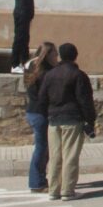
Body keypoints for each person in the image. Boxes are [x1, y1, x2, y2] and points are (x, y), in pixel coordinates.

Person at [37, 42, 96, 201]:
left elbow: (42, 98)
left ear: (61, 56)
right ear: (75, 56)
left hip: (53, 119)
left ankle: (53, 189)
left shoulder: (50, 75)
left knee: (55, 156)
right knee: (70, 156)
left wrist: (47, 114)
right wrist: (90, 120)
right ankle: (67, 190)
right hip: (72, 119)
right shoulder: (78, 75)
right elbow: (85, 100)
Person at [23, 42, 58, 193]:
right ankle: (37, 183)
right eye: (54, 54)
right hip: (41, 113)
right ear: (47, 55)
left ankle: (40, 180)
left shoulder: (31, 67)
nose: (57, 57)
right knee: (42, 148)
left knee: (43, 148)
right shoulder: (46, 73)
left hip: (32, 111)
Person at [11, 0, 38, 74]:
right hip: (23, 13)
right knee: (20, 38)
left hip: (21, 13)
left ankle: (24, 63)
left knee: (24, 38)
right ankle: (15, 64)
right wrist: (29, 11)